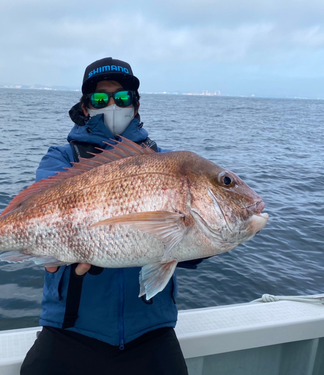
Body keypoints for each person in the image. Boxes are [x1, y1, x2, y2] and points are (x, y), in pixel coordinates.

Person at [20, 57, 205, 375]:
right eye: (99, 97)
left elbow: (190, 257)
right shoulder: (61, 158)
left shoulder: (165, 165)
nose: (111, 105)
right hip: (70, 330)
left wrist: (203, 232)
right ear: (85, 106)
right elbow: (41, 212)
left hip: (151, 331)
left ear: (135, 105)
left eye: (121, 97)